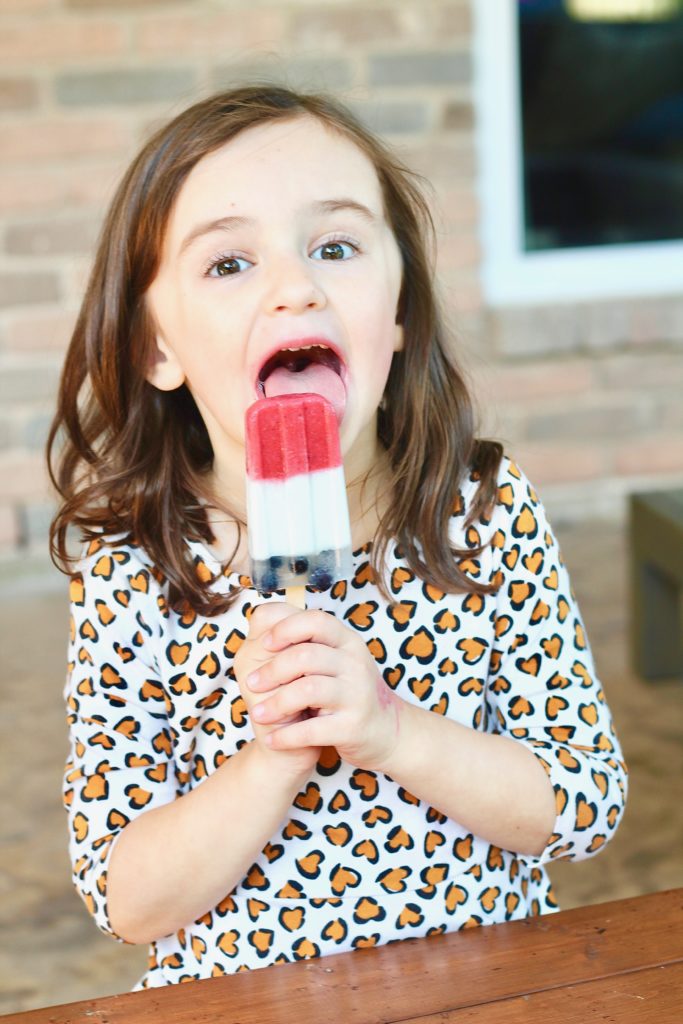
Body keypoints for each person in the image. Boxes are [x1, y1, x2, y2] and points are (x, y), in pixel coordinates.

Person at [48, 84, 628, 987]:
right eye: (229, 264)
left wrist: (389, 729)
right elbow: (129, 899)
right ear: (154, 349)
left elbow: (583, 806)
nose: (294, 288)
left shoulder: (474, 510)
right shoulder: (137, 569)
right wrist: (277, 749)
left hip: (487, 988)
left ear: (397, 317)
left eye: (334, 246)